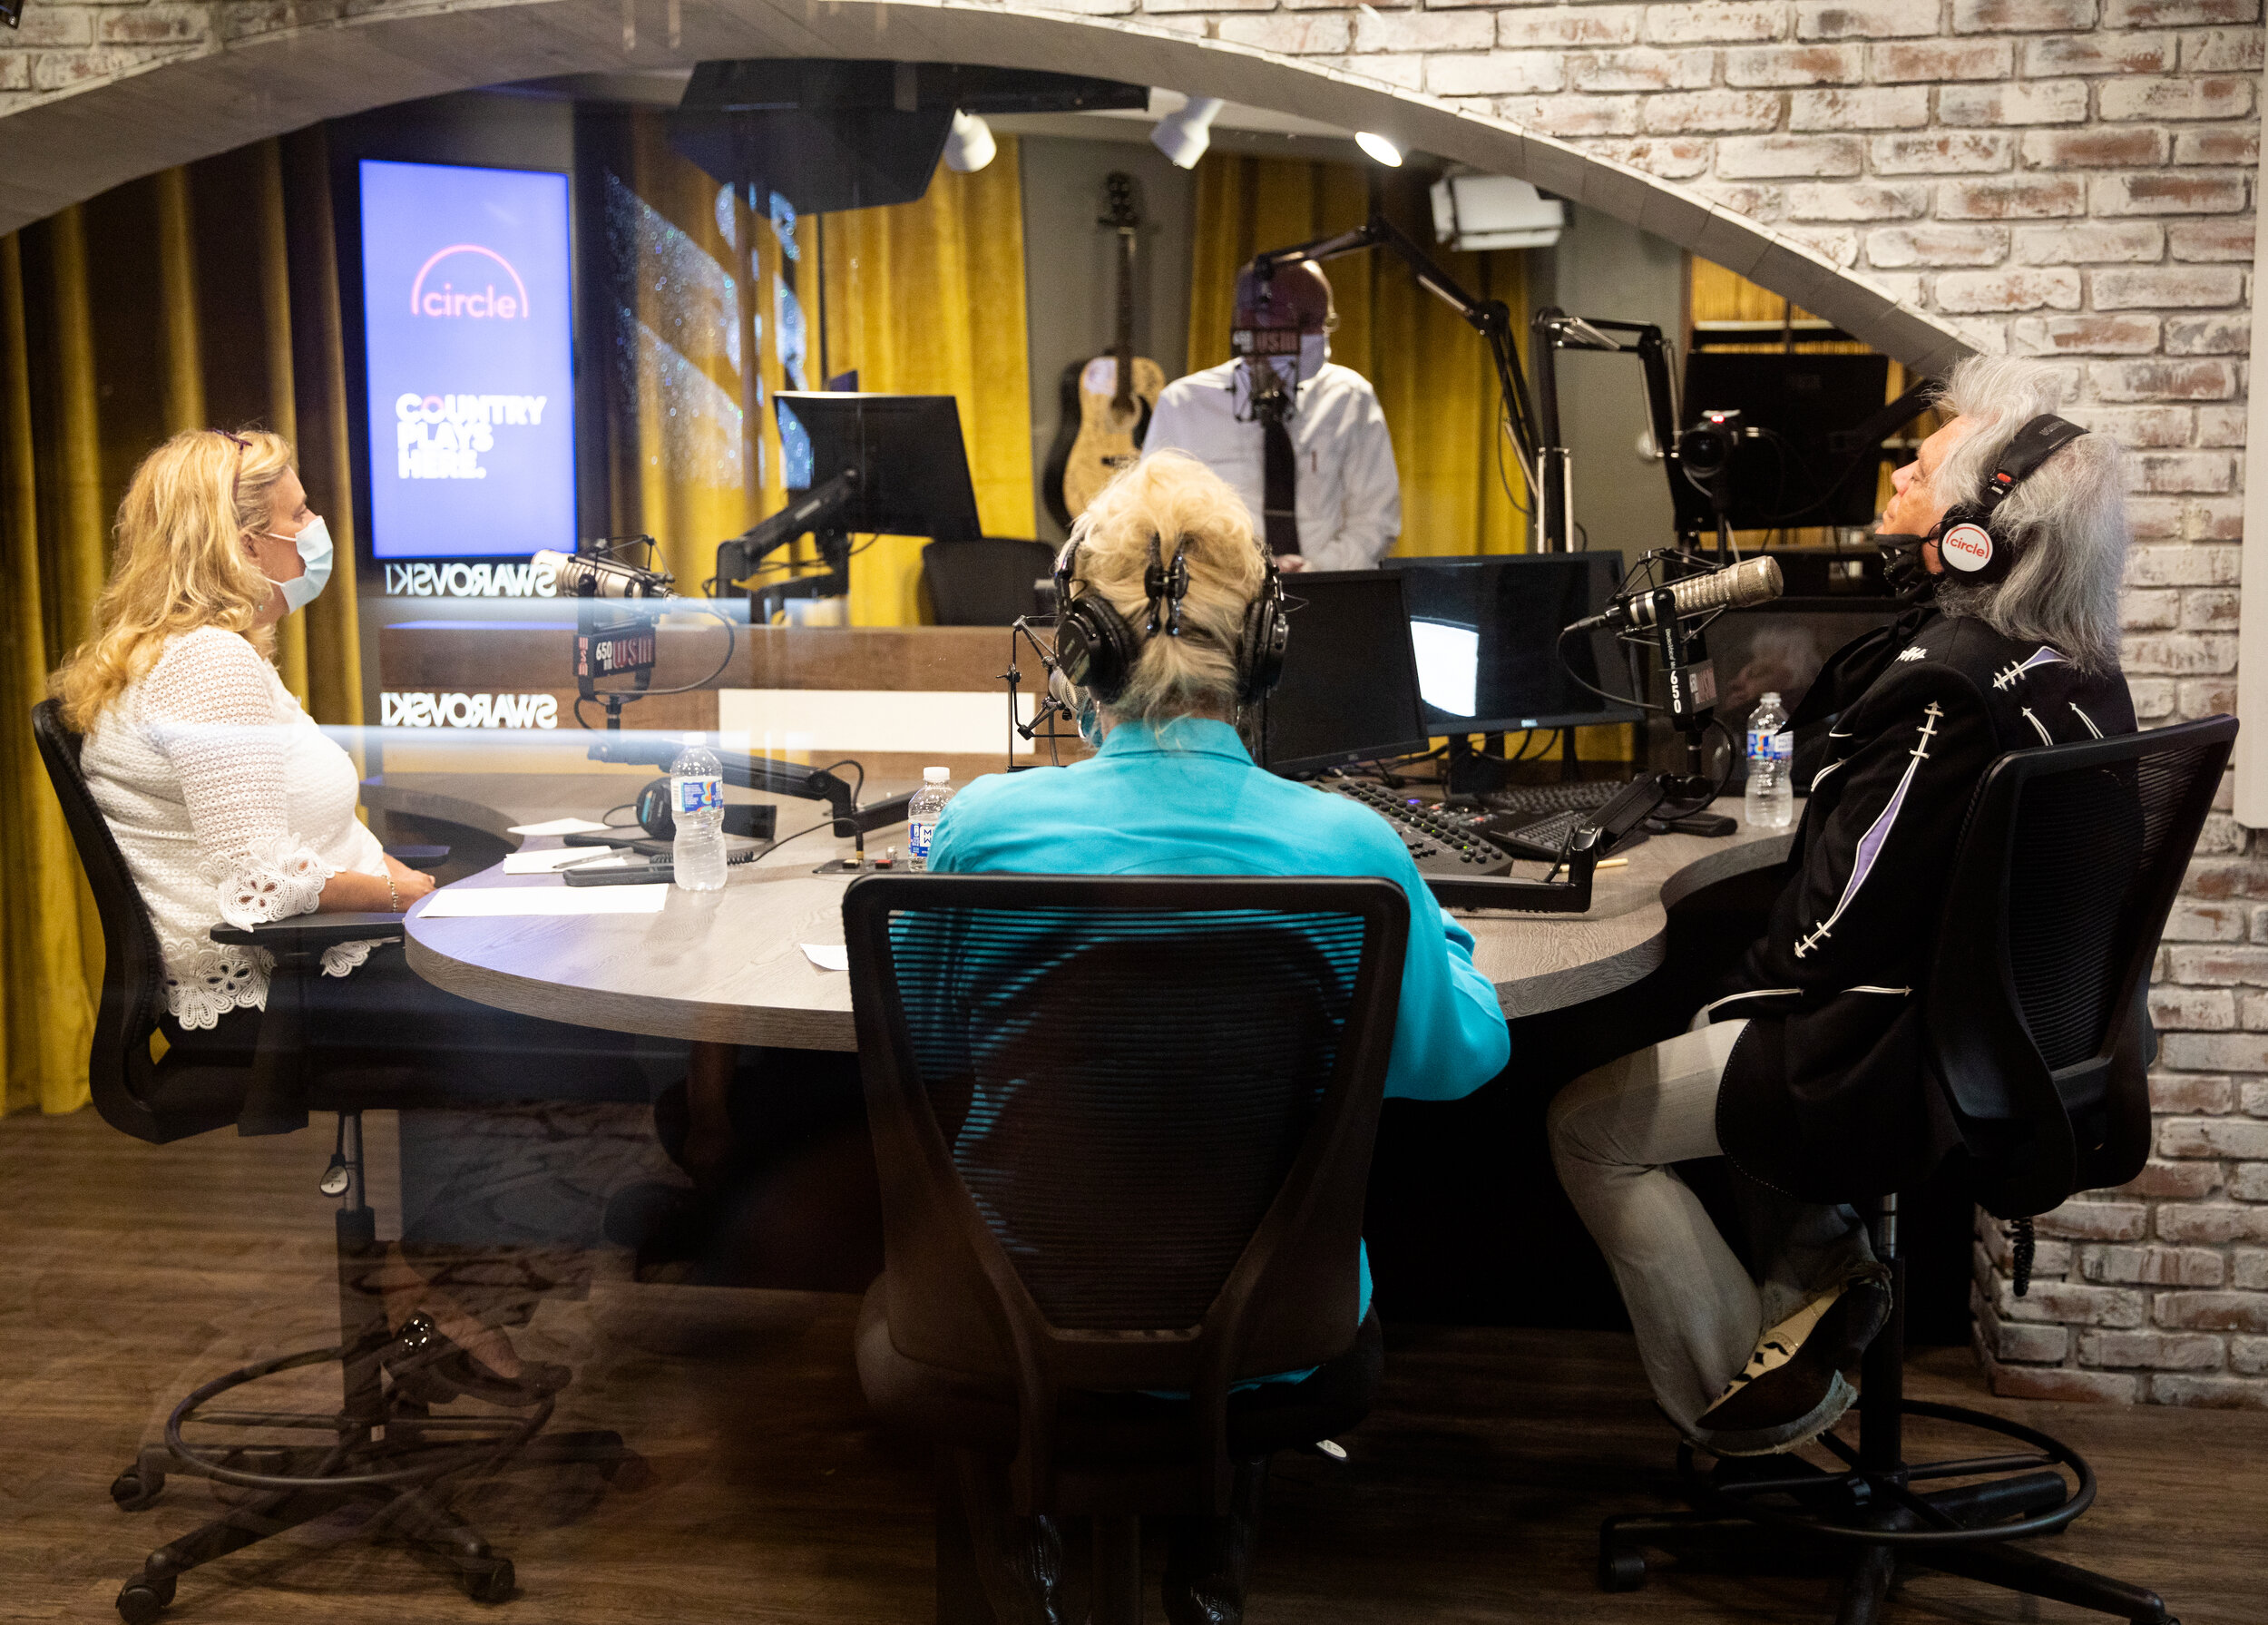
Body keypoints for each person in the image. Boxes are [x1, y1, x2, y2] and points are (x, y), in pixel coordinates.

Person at [922, 450, 1507, 1625]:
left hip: (1008, 1313)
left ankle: (1019, 1557)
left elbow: (932, 1056)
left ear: (1076, 642)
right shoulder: (1350, 848)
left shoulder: (983, 828)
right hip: (1276, 1329)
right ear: (1265, 646)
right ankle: (1206, 1578)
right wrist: (1437, 932)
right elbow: (1456, 1062)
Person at [1548, 355, 2137, 1458]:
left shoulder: (1941, 680)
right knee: (1717, 1018)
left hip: (1884, 1062)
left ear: (1977, 532)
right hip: (2014, 1046)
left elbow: (1833, 929)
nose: (1887, 499)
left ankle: (1755, 1394)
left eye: (1910, 479)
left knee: (1591, 1124)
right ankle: (1825, 1270)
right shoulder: (2073, 665)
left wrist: (1741, 981)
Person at [50, 427, 647, 1402]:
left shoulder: (172, 653)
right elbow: (259, 883)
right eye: (297, 517)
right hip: (277, 989)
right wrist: (406, 894)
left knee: (524, 1008)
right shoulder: (208, 665)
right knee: (592, 1045)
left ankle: (435, 1288)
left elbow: (285, 846)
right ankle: (446, 1294)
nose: (315, 533)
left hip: (292, 971)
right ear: (241, 546)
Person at [1141, 260, 1400, 574]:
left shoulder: (1350, 397)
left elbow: (1376, 517)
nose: (1319, 335)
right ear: (1252, 323)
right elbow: (1155, 518)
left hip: (1327, 588)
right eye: (1305, 322)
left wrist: (1316, 570)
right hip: (1221, 598)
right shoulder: (1183, 405)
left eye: (1324, 321)